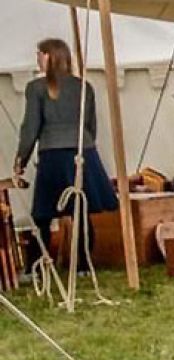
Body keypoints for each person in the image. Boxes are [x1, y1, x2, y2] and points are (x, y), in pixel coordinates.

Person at [12, 38, 118, 275]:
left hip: (54, 154)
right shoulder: (83, 86)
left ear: (50, 56)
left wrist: (21, 159)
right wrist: (85, 148)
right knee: (80, 210)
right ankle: (82, 266)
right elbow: (91, 125)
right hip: (83, 152)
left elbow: (31, 127)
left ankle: (35, 267)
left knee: (42, 213)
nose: (37, 58)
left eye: (39, 54)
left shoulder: (36, 88)